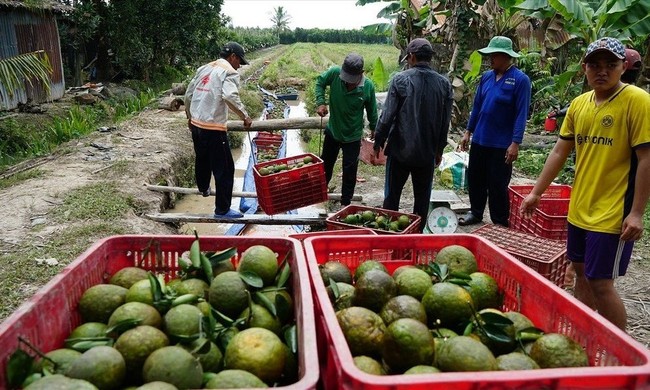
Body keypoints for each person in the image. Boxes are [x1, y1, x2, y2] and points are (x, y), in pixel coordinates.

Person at [519, 37, 650, 331]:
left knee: (601, 282)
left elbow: (646, 159)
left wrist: (637, 212)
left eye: (610, 65)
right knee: (580, 272)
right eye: (595, 65)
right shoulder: (579, 104)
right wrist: (536, 192)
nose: (601, 71)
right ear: (584, 68)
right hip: (580, 207)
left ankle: (620, 352)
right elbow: (559, 152)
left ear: (623, 67)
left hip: (613, 211)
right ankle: (581, 332)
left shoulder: (638, 101)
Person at [373, 38, 453, 230]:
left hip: (400, 150)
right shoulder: (444, 84)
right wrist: (439, 149)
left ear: (412, 56)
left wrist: (379, 141)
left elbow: (387, 115)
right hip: (427, 153)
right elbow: (445, 122)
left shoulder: (400, 80)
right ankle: (416, 236)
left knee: (392, 197)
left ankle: (388, 234)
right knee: (422, 200)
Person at [458, 36, 532, 227]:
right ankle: (476, 212)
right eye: (489, 55)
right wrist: (468, 131)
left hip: (501, 144)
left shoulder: (520, 80)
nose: (490, 59)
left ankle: (500, 221)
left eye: (494, 55)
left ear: (506, 57)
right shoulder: (487, 77)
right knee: (475, 178)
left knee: (498, 184)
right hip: (480, 139)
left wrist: (515, 142)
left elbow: (520, 114)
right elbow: (477, 106)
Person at [184, 42, 252, 218]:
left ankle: (203, 187)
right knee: (225, 168)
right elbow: (230, 96)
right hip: (213, 126)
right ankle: (222, 209)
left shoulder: (204, 68)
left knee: (202, 158)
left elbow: (189, 95)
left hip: (197, 123)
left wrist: (189, 117)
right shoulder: (229, 72)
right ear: (233, 57)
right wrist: (244, 116)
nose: (239, 66)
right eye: (239, 62)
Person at [315, 53, 378, 207]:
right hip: (334, 131)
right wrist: (321, 102)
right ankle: (320, 196)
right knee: (326, 166)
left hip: (353, 136)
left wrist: (374, 128)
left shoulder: (368, 87)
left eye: (352, 80)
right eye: (346, 78)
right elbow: (320, 83)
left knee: (349, 171)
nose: (348, 83)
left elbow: (372, 111)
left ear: (361, 74)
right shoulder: (334, 73)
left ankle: (345, 203)